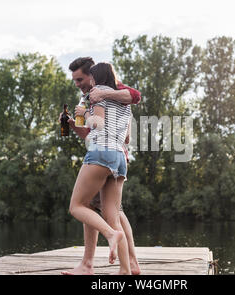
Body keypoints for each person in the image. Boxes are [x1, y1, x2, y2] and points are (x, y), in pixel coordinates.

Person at [59, 57, 140, 275]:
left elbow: (99, 123)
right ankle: (126, 269)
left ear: (93, 76)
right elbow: (121, 137)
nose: (78, 84)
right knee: (112, 214)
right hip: (118, 158)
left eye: (82, 79)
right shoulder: (101, 101)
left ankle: (109, 239)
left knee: (77, 206)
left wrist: (86, 113)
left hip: (100, 154)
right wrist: (72, 123)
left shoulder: (100, 93)